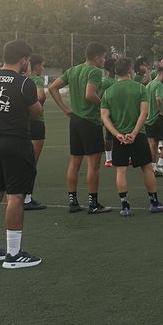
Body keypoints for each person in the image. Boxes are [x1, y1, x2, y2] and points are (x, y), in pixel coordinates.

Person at [0, 39, 42, 269]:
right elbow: (36, 113)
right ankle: (13, 255)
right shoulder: (25, 83)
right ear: (24, 60)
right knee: (15, 197)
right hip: (16, 143)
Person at [47, 41, 112, 214]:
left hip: (75, 120)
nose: (104, 61)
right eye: (104, 57)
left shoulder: (74, 69)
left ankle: (73, 201)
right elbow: (90, 94)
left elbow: (52, 87)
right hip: (90, 121)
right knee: (93, 164)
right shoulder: (95, 71)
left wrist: (65, 109)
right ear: (97, 57)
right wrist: (103, 107)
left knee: (75, 161)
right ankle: (93, 203)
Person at [100, 57, 163, 216]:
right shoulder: (139, 88)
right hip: (137, 136)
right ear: (130, 70)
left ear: (116, 71)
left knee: (121, 171)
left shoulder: (108, 92)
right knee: (147, 168)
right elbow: (144, 113)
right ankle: (154, 203)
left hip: (120, 139)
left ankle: (125, 207)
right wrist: (134, 133)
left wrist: (117, 134)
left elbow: (104, 117)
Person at [24, 54, 47, 210]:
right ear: (36, 66)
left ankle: (19, 194)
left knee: (23, 159)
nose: (43, 68)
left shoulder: (22, 79)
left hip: (23, 123)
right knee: (32, 162)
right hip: (36, 123)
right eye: (42, 65)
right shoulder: (36, 80)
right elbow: (41, 95)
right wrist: (37, 107)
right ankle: (27, 198)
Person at [145, 66, 163, 170]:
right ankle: (160, 165)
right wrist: (162, 112)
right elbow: (159, 99)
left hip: (148, 119)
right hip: (157, 117)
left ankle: (153, 166)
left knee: (153, 143)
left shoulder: (149, 84)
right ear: (162, 74)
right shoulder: (158, 85)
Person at [101, 56, 118, 168]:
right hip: (109, 111)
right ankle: (108, 159)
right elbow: (101, 96)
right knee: (109, 135)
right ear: (112, 68)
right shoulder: (106, 81)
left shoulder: (115, 80)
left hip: (116, 110)